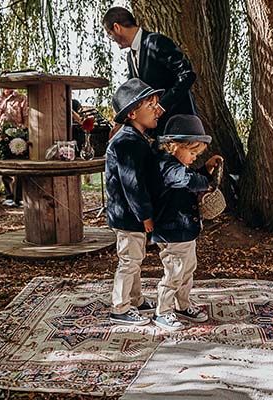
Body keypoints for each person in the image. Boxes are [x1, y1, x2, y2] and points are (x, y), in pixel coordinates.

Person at [151, 115, 222, 331]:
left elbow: (192, 177)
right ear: (174, 146)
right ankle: (162, 311)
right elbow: (188, 181)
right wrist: (208, 183)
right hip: (172, 232)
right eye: (192, 153)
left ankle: (182, 304)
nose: (193, 158)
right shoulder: (167, 166)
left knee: (187, 269)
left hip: (185, 232)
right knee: (174, 272)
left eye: (196, 154)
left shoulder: (180, 165)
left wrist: (206, 169)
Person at [106, 78, 163, 326]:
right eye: (151, 105)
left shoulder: (137, 139)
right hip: (129, 214)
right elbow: (132, 184)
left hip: (132, 214)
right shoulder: (127, 142)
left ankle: (136, 299)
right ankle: (119, 307)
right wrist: (145, 215)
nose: (158, 110)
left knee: (135, 257)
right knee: (129, 260)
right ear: (132, 113)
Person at [102, 6, 197, 138]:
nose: (111, 39)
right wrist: (120, 122)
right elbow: (133, 94)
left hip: (178, 124)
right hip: (155, 129)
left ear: (117, 27)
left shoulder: (156, 42)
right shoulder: (130, 57)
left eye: (109, 34)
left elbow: (187, 74)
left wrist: (162, 105)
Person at [0, 88, 28, 206]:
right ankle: (9, 195)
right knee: (4, 165)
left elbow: (26, 117)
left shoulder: (21, 98)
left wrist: (24, 134)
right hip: (1, 136)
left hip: (17, 136)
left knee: (19, 166)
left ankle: (19, 197)